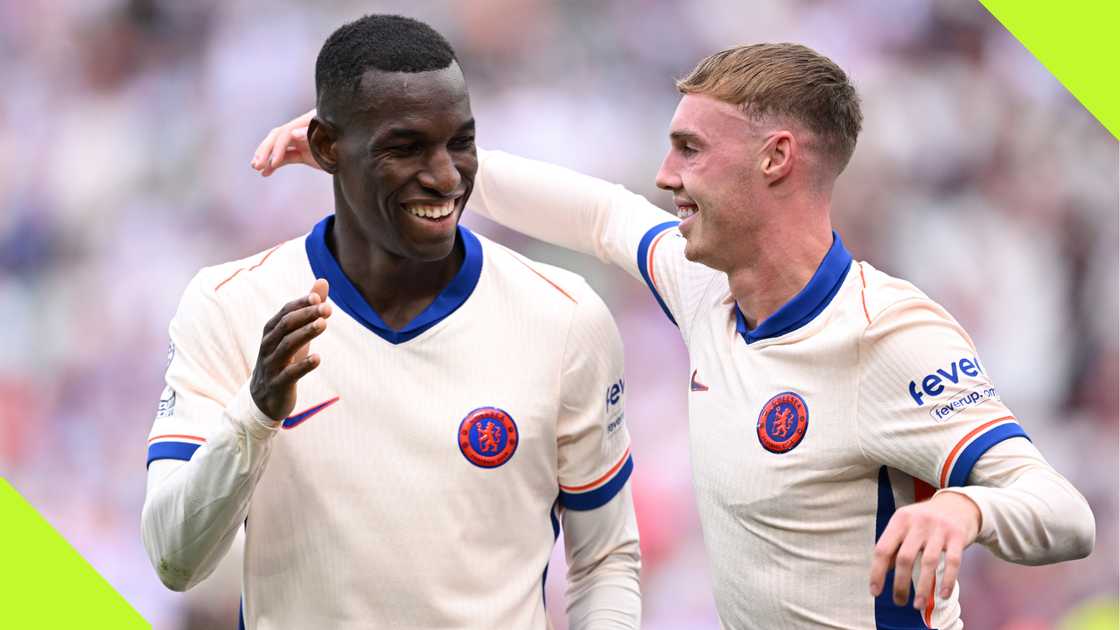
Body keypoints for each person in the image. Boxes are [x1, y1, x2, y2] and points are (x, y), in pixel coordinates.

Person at [256, 42, 1096, 629]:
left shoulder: (891, 336)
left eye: (690, 150)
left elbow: (1061, 514)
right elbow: (600, 214)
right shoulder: (706, 290)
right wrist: (384, 156)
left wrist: (963, 507)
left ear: (775, 159)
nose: (667, 175)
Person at [143, 15, 641, 630]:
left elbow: (606, 562)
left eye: (461, 141)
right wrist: (255, 413)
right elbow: (174, 560)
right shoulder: (229, 304)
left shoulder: (564, 316)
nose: (446, 176)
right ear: (327, 148)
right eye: (405, 147)